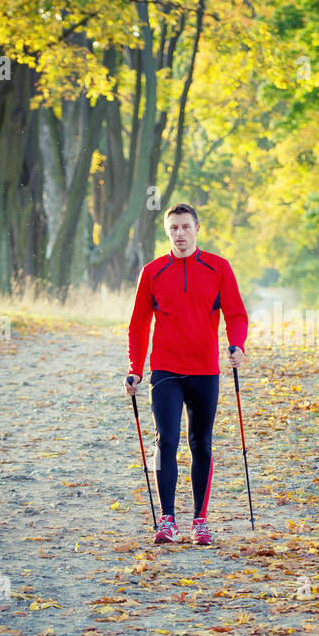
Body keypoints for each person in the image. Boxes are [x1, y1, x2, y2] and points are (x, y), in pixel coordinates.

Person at [124, 203, 247, 545]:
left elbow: (237, 314)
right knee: (167, 441)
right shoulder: (152, 272)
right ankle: (167, 520)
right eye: (174, 228)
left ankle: (200, 521)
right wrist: (135, 369)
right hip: (165, 371)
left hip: (205, 371)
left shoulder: (218, 268)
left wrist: (237, 345)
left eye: (185, 227)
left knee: (201, 444)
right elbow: (138, 326)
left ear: (196, 229)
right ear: (167, 232)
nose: (180, 233)